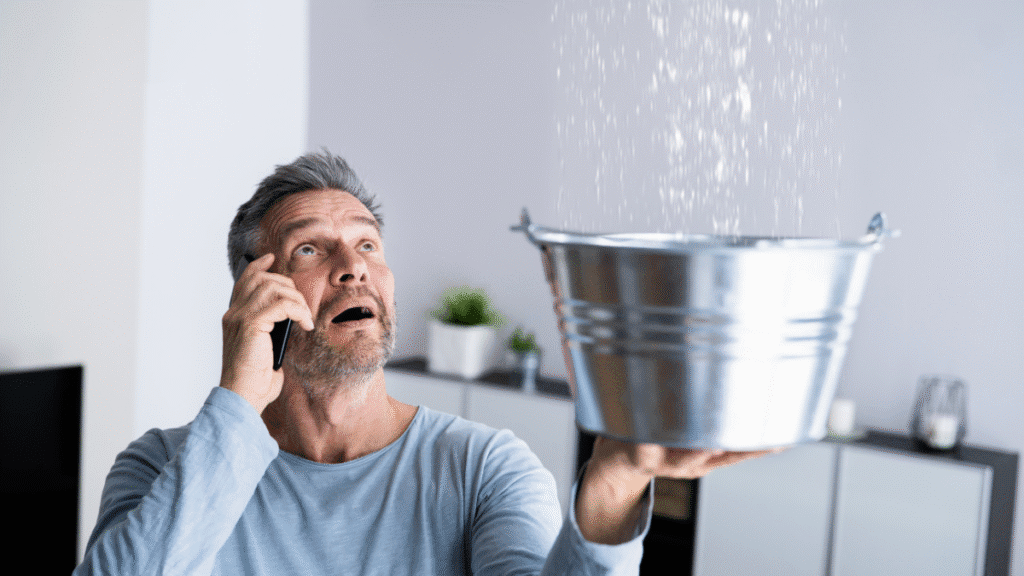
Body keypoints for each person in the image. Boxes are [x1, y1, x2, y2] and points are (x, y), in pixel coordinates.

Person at [75, 151, 772, 575]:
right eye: (311, 250)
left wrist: (615, 480)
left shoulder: (482, 468)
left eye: (369, 245)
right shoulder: (161, 468)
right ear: (256, 297)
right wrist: (237, 398)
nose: (354, 268)